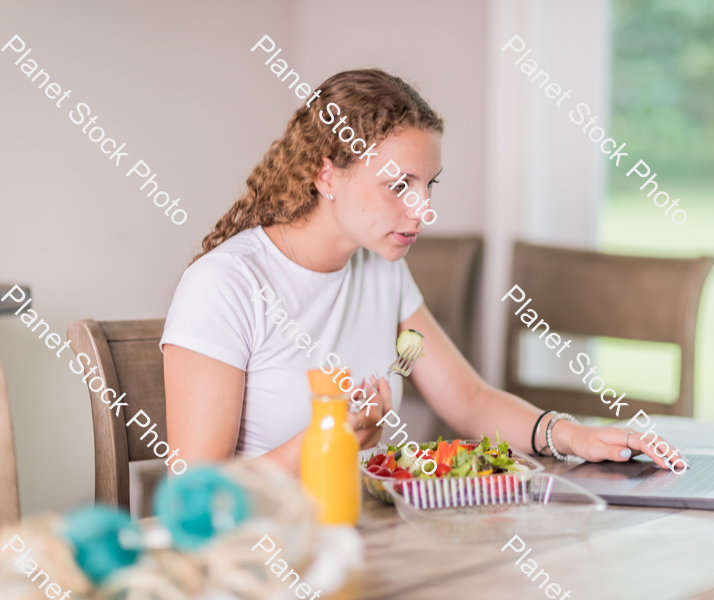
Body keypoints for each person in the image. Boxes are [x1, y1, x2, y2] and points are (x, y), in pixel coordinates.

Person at [160, 68, 683, 475]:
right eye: (399, 185)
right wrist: (328, 438)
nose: (423, 209)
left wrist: (572, 436)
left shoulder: (379, 268)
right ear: (327, 174)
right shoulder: (226, 285)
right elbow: (196, 496)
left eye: (429, 184)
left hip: (357, 538)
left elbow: (470, 400)